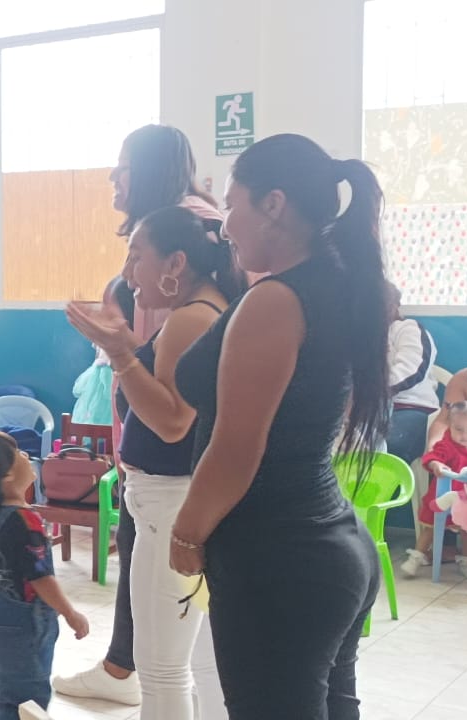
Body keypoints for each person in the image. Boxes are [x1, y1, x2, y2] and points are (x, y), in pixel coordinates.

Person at [170, 134, 386, 718]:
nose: (224, 226)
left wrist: (187, 532)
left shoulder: (276, 301)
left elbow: (238, 447)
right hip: (327, 543)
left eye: (231, 205)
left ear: (274, 205)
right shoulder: (333, 283)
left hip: (280, 560)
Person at [56, 123, 225, 708]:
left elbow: (173, 417)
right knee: (195, 662)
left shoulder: (189, 314)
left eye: (137, 258)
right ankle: (122, 667)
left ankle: (123, 671)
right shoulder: (193, 297)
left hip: (173, 489)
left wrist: (122, 352)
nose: (131, 274)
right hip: (165, 484)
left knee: (167, 667)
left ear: (176, 261)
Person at [0, 431, 89, 720]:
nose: (26, 456)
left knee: (10, 697)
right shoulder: (26, 521)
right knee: (28, 702)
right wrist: (70, 612)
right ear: (7, 477)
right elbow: (41, 579)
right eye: (18, 454)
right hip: (23, 630)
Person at [401, 401, 467, 579]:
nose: (464, 435)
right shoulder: (447, 444)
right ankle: (416, 558)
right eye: (458, 429)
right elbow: (431, 457)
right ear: (450, 426)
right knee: (431, 528)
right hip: (442, 496)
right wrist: (436, 464)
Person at [385, 282, 439, 467]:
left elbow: (412, 368)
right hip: (370, 409)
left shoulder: (408, 328)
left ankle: (391, 488)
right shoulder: (360, 337)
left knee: (391, 446)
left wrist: (373, 392)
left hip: (411, 407)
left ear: (395, 305)